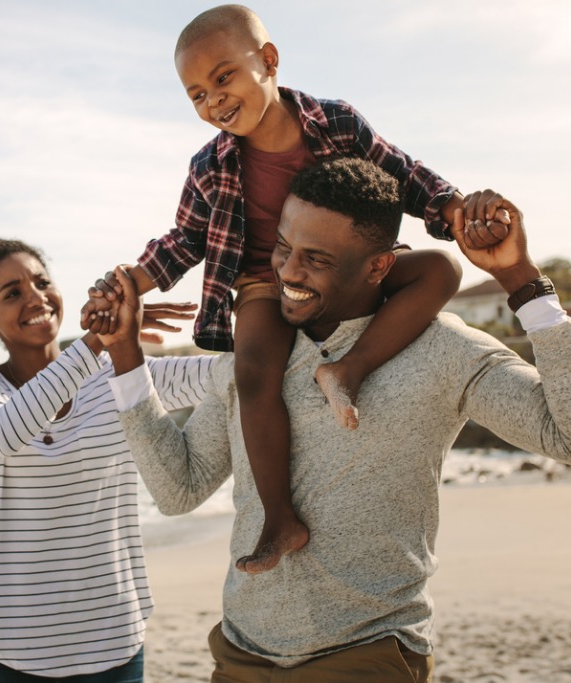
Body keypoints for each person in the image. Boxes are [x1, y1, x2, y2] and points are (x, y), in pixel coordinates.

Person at [99, 157, 571, 681]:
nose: (288, 271)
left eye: (317, 259)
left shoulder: (441, 350)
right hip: (242, 656)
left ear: (379, 266)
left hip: (367, 656)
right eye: (283, 247)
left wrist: (520, 279)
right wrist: (126, 355)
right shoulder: (254, 358)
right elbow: (179, 490)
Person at [82, 4, 507, 575]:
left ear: (268, 60)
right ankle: (280, 519)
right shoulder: (209, 165)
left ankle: (348, 369)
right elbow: (186, 239)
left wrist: (457, 211)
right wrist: (129, 282)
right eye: (197, 95)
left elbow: (405, 174)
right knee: (253, 370)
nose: (214, 101)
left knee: (441, 271)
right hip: (265, 280)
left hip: (345, 270)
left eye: (224, 77)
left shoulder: (336, 123)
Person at [0, 227, 216, 682]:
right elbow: (2, 436)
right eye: (13, 293)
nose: (36, 298)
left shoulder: (121, 372)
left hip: (114, 640)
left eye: (42, 282)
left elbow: (229, 376)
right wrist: (96, 340)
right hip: (14, 647)